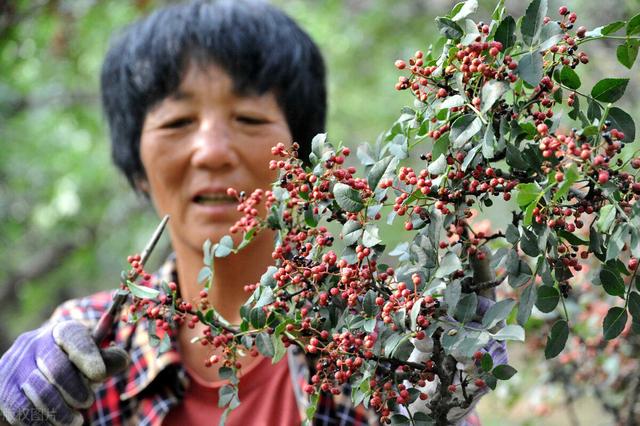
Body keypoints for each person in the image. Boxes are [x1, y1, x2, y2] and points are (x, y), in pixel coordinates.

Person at [0, 1, 506, 425]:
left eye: (248, 118)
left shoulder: (385, 344)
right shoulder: (79, 350)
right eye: (177, 121)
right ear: (136, 166)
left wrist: (444, 408)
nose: (212, 151)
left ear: (303, 157)